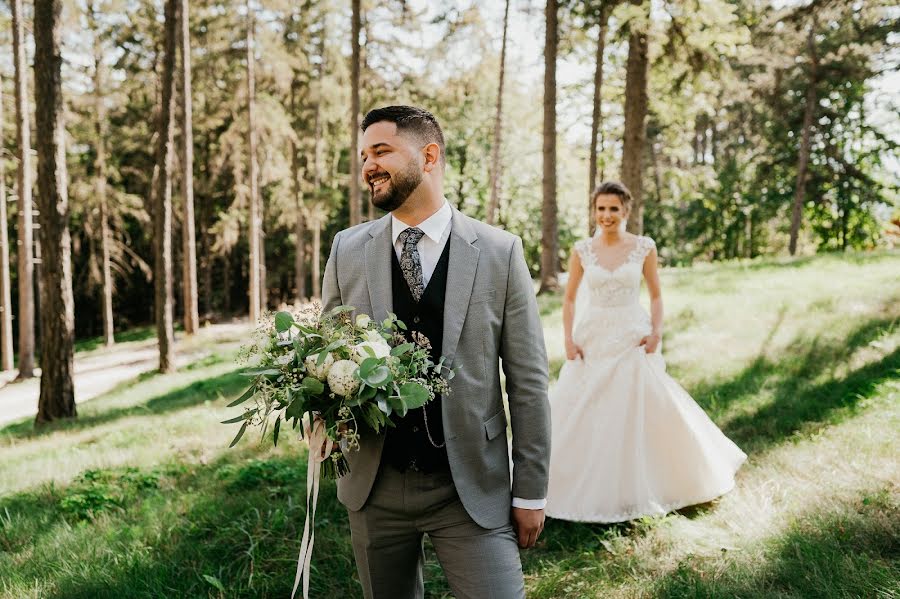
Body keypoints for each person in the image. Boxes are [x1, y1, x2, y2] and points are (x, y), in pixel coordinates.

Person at [321, 105, 550, 599]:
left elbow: (528, 381)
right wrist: (320, 420)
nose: (368, 166)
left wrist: (531, 489)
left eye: (381, 151)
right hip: (374, 489)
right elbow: (325, 358)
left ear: (429, 156)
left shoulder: (499, 251)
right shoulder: (346, 249)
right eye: (362, 156)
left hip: (470, 486)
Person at [545, 181, 746, 523]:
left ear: (626, 211)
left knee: (641, 405)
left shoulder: (643, 247)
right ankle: (575, 485)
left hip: (630, 336)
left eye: (613, 209)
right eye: (600, 209)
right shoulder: (582, 250)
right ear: (594, 211)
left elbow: (655, 295)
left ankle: (653, 484)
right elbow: (569, 299)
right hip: (592, 337)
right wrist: (568, 339)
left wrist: (656, 332)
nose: (606, 215)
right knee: (581, 409)